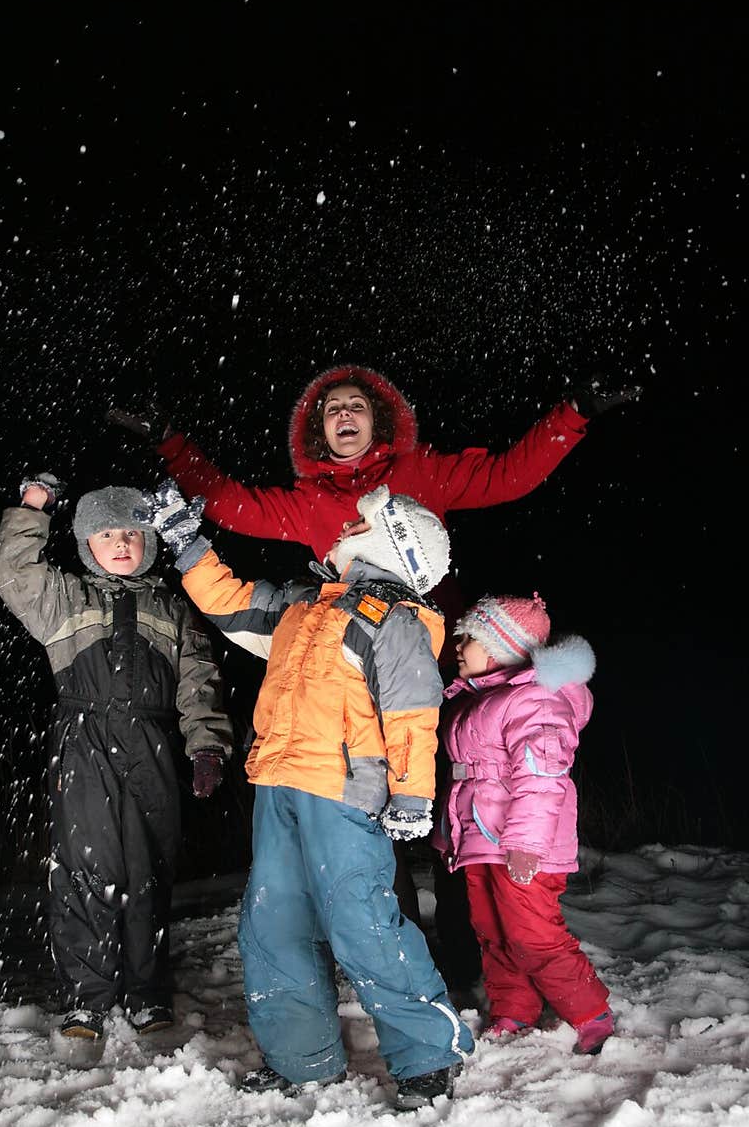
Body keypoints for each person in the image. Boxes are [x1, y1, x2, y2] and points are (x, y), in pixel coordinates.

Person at [107, 363, 640, 968]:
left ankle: (469, 956)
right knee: (373, 816)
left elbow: (509, 475)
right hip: (350, 684)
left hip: (434, 666)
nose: (344, 415)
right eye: (330, 409)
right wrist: (169, 441)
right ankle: (397, 949)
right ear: (316, 432)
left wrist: (575, 413)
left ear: (378, 418)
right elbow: (228, 502)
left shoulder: (422, 474)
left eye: (355, 405)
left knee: (449, 804)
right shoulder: (310, 502)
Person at [136, 476, 475, 1109]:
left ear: (393, 546)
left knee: (364, 924)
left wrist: (412, 796)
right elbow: (230, 603)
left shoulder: (395, 621)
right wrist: (186, 543)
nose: (345, 528)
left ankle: (429, 1053)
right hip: (279, 784)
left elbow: (412, 714)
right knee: (274, 923)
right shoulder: (303, 604)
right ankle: (302, 1058)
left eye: (359, 524)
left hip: (344, 793)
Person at [0, 473, 234, 1041]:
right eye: (106, 534)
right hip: (83, 739)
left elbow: (200, 683)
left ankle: (147, 993)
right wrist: (32, 509)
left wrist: (206, 746)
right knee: (84, 868)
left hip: (152, 745)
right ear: (85, 544)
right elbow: (13, 573)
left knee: (148, 869)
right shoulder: (64, 600)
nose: (121, 542)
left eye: (131, 531)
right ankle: (87, 998)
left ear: (148, 541)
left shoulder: (173, 609)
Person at [431, 591, 614, 1056]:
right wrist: (450, 833)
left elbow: (543, 776)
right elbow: (465, 780)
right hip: (480, 840)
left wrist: (526, 842)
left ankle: (590, 1013)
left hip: (525, 844)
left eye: (467, 638)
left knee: (533, 935)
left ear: (500, 647)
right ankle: (514, 1007)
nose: (457, 646)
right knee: (490, 930)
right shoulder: (478, 699)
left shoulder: (535, 701)